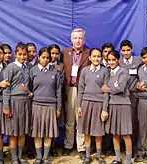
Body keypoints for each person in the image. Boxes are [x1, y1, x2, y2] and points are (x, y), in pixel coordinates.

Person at [29, 47, 62, 164]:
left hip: (51, 106)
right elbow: (29, 88)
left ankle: (46, 157)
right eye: (43, 57)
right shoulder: (32, 70)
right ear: (38, 58)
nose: (46, 60)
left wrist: (58, 108)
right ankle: (38, 157)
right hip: (36, 105)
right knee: (37, 132)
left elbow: (58, 91)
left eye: (48, 58)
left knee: (48, 133)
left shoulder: (56, 71)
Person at [77, 48, 109, 164]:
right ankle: (87, 155)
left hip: (99, 104)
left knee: (98, 131)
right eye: (94, 56)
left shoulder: (105, 71)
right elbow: (80, 89)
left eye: (99, 56)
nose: (96, 59)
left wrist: (104, 109)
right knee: (87, 131)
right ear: (89, 58)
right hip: (86, 103)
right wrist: (79, 106)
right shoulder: (85, 71)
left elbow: (106, 92)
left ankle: (99, 156)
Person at [62, 28, 90, 158]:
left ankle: (81, 147)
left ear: (84, 40)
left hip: (83, 90)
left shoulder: (89, 53)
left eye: (80, 38)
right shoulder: (64, 52)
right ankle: (68, 145)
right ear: (71, 39)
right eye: (75, 38)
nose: (78, 40)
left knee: (81, 119)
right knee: (70, 119)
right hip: (69, 89)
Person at [3, 42, 32, 164]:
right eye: (20, 54)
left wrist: (29, 91)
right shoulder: (10, 68)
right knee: (13, 132)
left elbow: (25, 85)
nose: (22, 57)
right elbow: (6, 88)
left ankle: (20, 156)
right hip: (14, 102)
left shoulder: (28, 67)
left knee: (22, 131)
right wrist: (6, 106)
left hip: (25, 102)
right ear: (15, 54)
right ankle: (14, 158)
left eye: (24, 54)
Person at [102, 50, 133, 164]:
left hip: (123, 104)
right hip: (112, 105)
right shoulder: (109, 73)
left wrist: (108, 90)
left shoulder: (123, 71)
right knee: (114, 133)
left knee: (125, 134)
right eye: (109, 60)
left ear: (118, 60)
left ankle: (128, 160)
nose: (111, 62)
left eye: (113, 60)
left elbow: (120, 88)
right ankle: (118, 158)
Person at [119, 40, 142, 154]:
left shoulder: (139, 60)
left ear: (132, 50)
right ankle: (123, 146)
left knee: (133, 121)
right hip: (121, 95)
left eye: (128, 50)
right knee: (123, 121)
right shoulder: (118, 62)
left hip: (133, 95)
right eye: (123, 50)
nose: (126, 53)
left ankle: (134, 147)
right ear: (121, 51)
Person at [48, 44, 64, 157]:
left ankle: (52, 147)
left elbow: (62, 83)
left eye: (56, 54)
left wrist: (58, 72)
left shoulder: (61, 66)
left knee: (55, 124)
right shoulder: (41, 64)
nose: (54, 56)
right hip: (44, 99)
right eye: (52, 53)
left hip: (56, 98)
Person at [101, 42, 115, 156]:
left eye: (109, 52)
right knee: (100, 122)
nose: (107, 54)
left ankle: (109, 147)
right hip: (100, 97)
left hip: (113, 96)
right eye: (105, 51)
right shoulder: (97, 64)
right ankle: (99, 147)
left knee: (111, 122)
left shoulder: (115, 65)